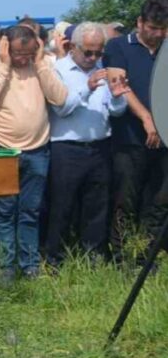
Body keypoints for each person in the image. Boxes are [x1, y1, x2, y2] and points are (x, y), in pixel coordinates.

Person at [0, 25, 68, 283]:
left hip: (38, 149)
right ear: (5, 47)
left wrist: (39, 66)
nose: (22, 59)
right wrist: (6, 65)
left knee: (30, 211)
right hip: (2, 149)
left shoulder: (43, 64)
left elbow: (60, 98)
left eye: (27, 53)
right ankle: (5, 268)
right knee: (4, 212)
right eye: (17, 53)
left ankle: (29, 267)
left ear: (36, 48)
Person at [47, 22, 130, 269]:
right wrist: (87, 87)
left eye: (98, 52)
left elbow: (116, 111)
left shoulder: (104, 69)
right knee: (62, 207)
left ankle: (93, 258)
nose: (93, 57)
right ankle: (54, 260)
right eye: (88, 52)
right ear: (73, 47)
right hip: (67, 148)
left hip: (99, 146)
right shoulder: (58, 70)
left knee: (97, 206)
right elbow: (61, 108)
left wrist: (117, 96)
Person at [104, 0, 168, 263]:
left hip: (164, 142)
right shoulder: (119, 46)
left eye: (163, 29)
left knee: (160, 200)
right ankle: (120, 255)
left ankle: (150, 255)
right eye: (152, 27)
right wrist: (146, 117)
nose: (157, 34)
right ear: (140, 22)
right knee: (125, 200)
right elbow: (118, 84)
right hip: (130, 139)